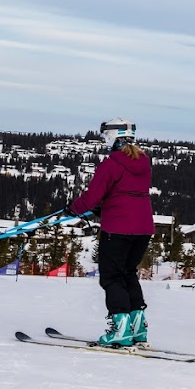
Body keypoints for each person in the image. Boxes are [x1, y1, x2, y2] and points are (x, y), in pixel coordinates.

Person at [67, 118, 154, 347]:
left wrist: (74, 209)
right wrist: (103, 206)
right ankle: (138, 327)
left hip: (118, 229)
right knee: (128, 274)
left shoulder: (111, 164)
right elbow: (126, 193)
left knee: (112, 277)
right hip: (142, 228)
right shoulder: (143, 162)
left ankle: (121, 329)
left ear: (112, 136)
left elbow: (93, 195)